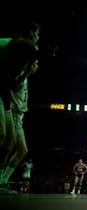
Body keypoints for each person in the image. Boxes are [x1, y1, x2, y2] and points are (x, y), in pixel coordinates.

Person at [0, 22, 40, 186]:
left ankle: (2, 179)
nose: (38, 38)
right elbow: (11, 85)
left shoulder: (21, 65)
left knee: (18, 146)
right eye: (37, 34)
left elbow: (11, 82)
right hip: (13, 107)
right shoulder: (8, 48)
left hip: (17, 109)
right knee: (5, 137)